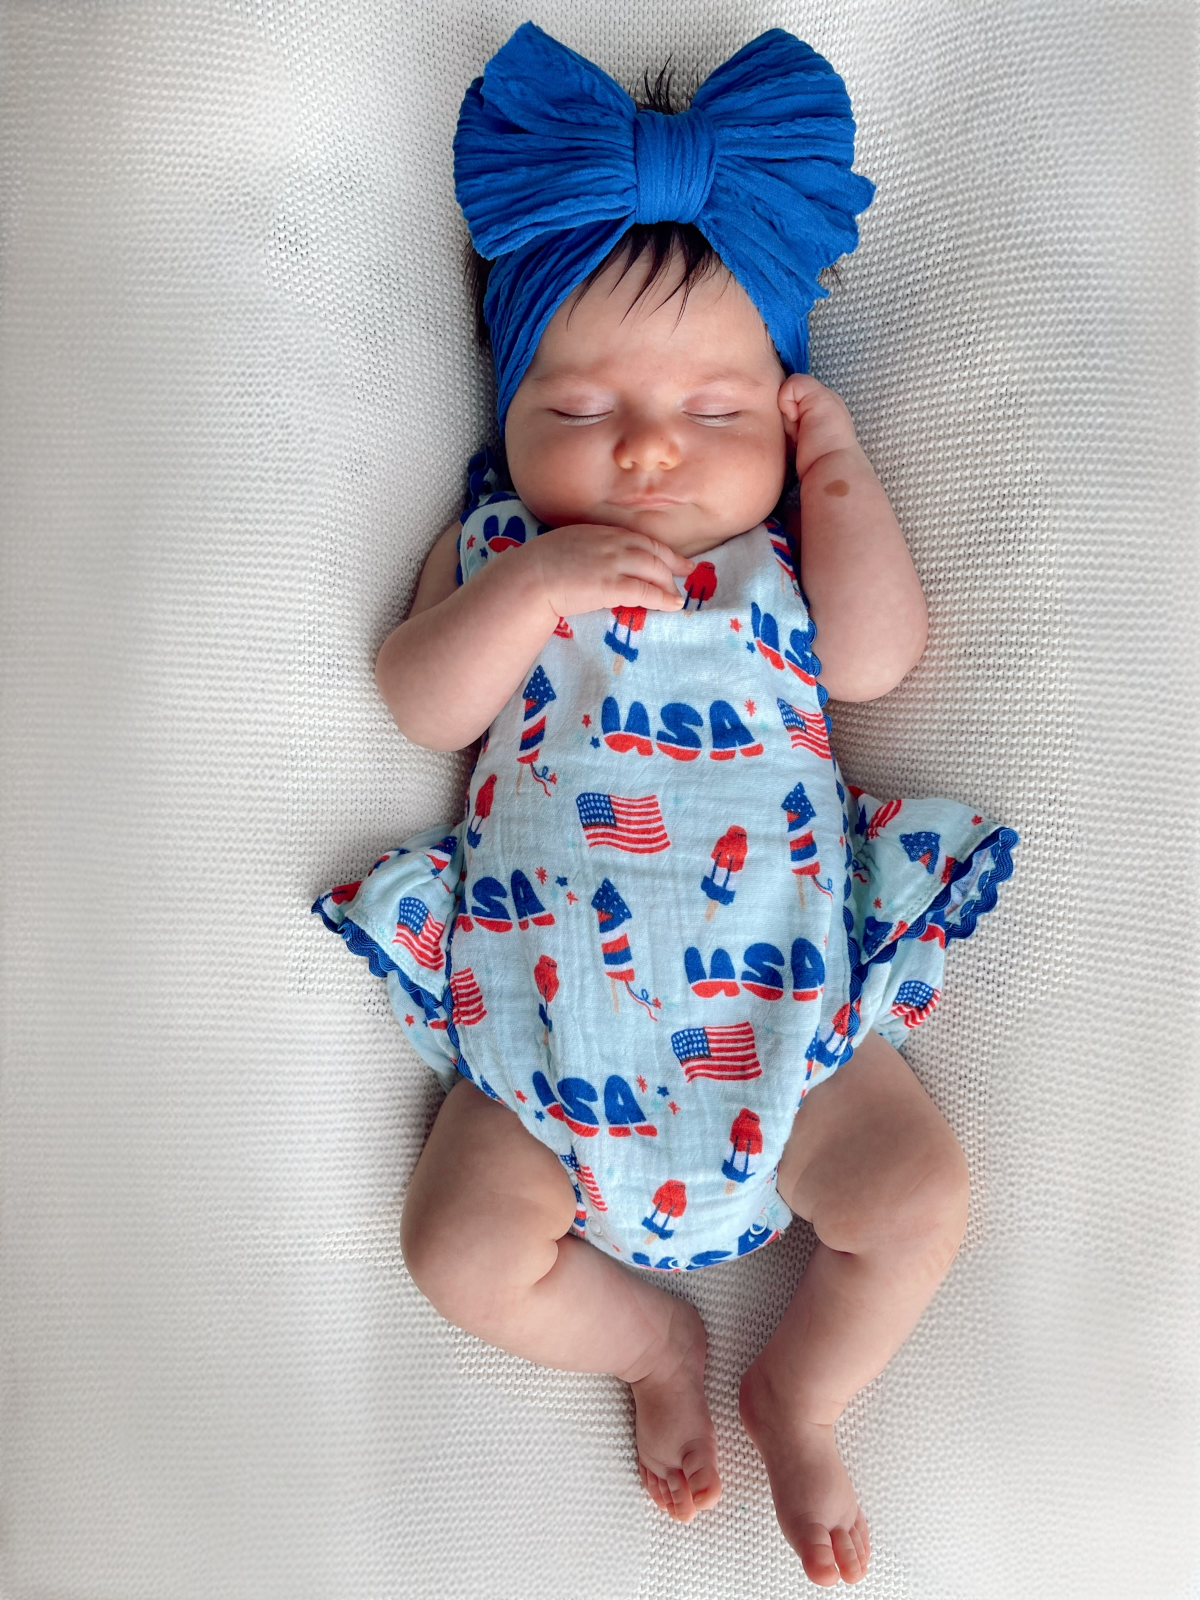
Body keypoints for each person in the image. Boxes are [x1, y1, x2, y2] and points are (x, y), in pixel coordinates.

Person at [313, 23, 1019, 1587]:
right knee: (457, 1250)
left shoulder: (776, 573)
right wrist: (537, 584)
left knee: (918, 1197)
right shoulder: (501, 554)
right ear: (508, 419)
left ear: (784, 414)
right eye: (578, 412)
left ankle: (804, 1389)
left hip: (789, 1032)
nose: (646, 446)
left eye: (719, 414)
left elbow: (882, 657)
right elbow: (424, 698)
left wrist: (841, 486)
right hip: (543, 1065)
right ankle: (643, 1342)